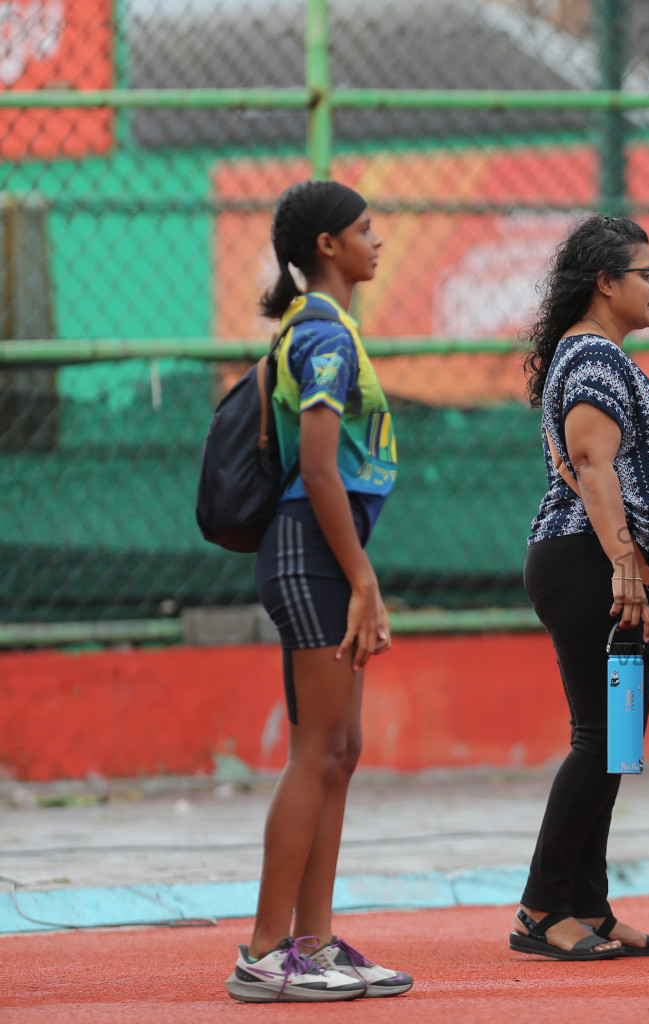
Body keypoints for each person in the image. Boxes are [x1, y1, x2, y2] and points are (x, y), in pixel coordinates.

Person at [228, 181, 411, 1002]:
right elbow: (316, 466)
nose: (380, 241)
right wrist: (363, 579)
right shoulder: (324, 336)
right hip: (311, 556)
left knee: (341, 749)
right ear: (328, 247)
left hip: (324, 554)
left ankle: (314, 943)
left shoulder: (328, 329)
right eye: (366, 231)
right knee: (318, 752)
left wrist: (359, 572)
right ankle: (267, 952)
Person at [513, 215, 649, 961]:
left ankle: (588, 904)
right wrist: (625, 566)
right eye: (645, 274)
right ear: (605, 283)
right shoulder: (591, 357)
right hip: (590, 566)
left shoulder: (602, 356)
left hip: (605, 567)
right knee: (600, 739)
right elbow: (592, 465)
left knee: (617, 743)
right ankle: (539, 909)